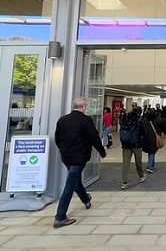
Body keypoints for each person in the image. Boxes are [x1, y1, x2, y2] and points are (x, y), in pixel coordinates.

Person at [53, 97, 106, 228]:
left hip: (66, 157)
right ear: (84, 107)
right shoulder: (86, 120)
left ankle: (86, 199)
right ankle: (60, 216)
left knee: (75, 180)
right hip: (79, 157)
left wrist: (63, 150)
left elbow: (57, 138)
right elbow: (94, 137)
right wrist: (101, 151)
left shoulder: (62, 120)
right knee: (70, 185)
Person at [119, 105, 146, 190]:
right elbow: (144, 131)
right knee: (138, 161)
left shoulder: (125, 117)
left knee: (125, 163)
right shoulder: (139, 119)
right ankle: (141, 176)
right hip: (136, 143)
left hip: (125, 143)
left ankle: (124, 182)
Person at [142, 108, 166, 174]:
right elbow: (163, 126)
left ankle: (151, 164)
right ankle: (150, 166)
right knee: (153, 151)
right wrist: (165, 133)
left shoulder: (145, 120)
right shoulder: (158, 119)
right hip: (155, 136)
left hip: (147, 137)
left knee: (150, 150)